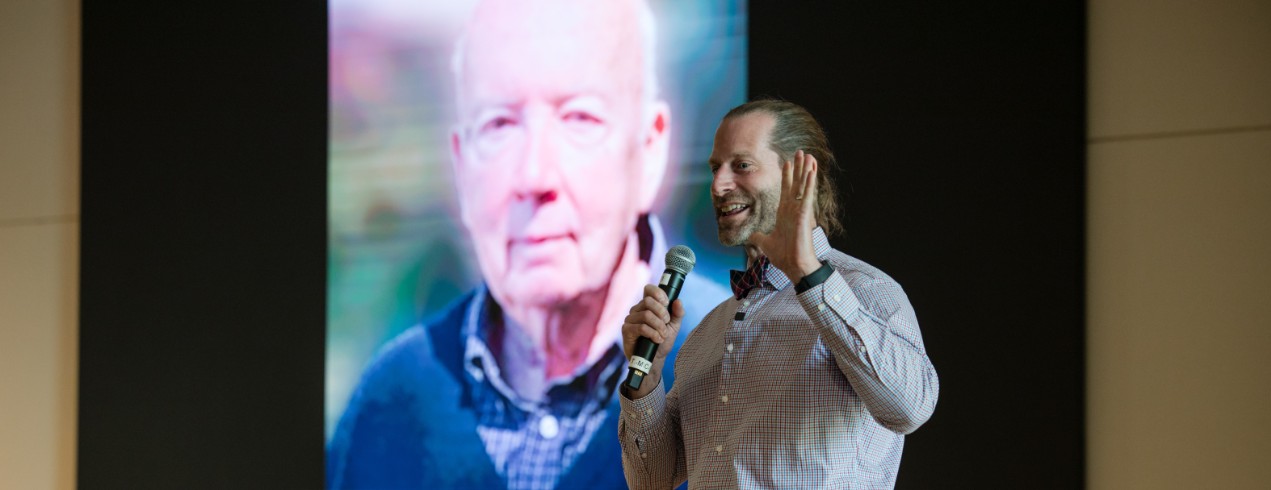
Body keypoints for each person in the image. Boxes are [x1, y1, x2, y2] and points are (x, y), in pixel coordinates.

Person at [326, 1, 728, 489]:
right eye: (499, 124)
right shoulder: (387, 404)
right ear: (461, 166)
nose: (534, 175)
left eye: (580, 118)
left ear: (649, 149)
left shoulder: (735, 364)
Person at [619, 99, 940, 488]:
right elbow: (652, 482)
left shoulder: (867, 291)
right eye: (714, 168)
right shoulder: (709, 330)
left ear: (797, 176)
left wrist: (808, 273)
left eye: (741, 165)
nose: (719, 185)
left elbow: (911, 409)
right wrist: (648, 376)